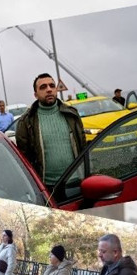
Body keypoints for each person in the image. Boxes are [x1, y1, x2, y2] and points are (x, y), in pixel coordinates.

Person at [15, 73, 85, 201]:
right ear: (35, 95)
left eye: (52, 86)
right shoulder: (26, 122)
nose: (48, 89)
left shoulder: (72, 114)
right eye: (43, 87)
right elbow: (25, 159)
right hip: (47, 188)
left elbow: (83, 147)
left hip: (75, 183)